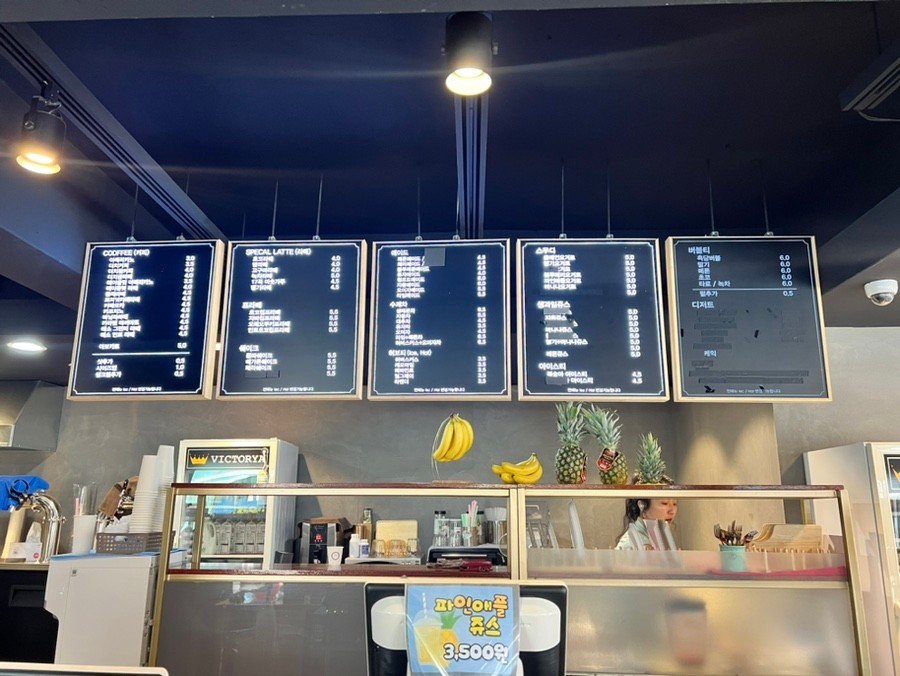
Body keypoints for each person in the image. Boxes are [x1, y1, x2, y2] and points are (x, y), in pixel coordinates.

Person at [614, 496, 678, 550]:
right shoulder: (630, 541)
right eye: (664, 503)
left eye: (675, 504)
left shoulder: (661, 537)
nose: (672, 511)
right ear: (642, 506)